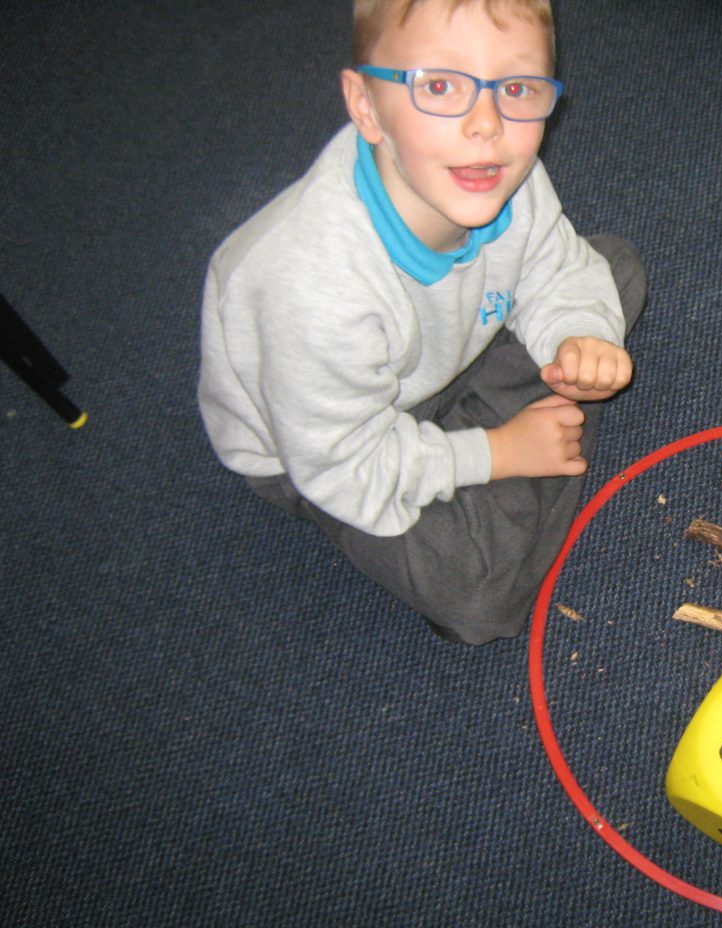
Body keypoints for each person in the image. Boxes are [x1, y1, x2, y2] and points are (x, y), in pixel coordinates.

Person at [198, 0, 646, 644]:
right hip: (326, 450)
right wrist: (496, 452)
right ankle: (512, 452)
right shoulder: (310, 287)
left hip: (440, 360)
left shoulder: (495, 176)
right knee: (476, 602)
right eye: (439, 87)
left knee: (612, 273)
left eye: (516, 88)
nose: (487, 125)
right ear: (365, 106)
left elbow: (557, 267)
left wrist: (581, 337)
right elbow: (345, 466)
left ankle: (509, 457)